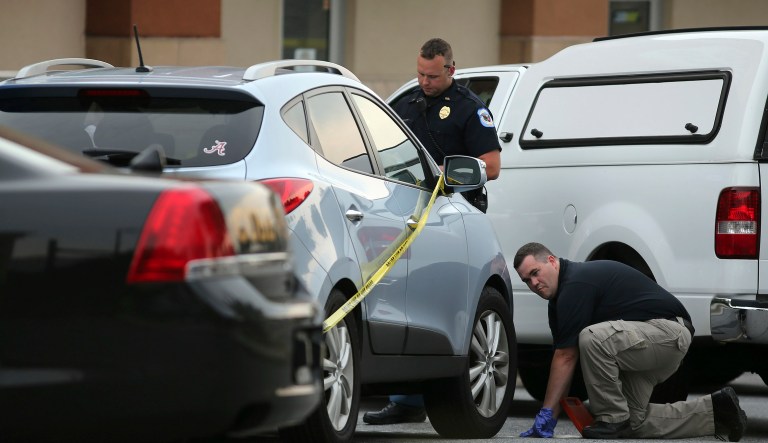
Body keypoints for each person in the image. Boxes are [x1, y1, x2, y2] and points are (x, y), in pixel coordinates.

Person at [362, 37, 503, 425]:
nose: (424, 81)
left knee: (445, 301)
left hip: (452, 213)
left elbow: (491, 165)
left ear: (451, 70)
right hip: (405, 211)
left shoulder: (470, 110)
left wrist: (447, 172)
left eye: (432, 75)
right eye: (420, 73)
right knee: (408, 298)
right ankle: (405, 400)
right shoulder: (405, 103)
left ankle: (448, 394)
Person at [512, 242, 748, 441]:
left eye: (535, 273)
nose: (533, 284)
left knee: (592, 339)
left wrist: (547, 413)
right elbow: (564, 358)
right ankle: (718, 413)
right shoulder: (558, 301)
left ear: (552, 261)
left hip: (668, 333)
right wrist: (549, 414)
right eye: (526, 281)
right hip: (651, 345)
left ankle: (611, 418)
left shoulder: (575, 282)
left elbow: (566, 356)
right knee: (634, 421)